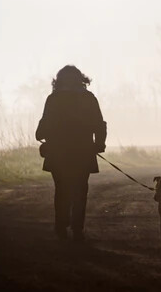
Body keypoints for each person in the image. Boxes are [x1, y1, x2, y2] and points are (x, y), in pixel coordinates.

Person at [36, 65, 106, 241]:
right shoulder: (89, 98)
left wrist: (41, 134)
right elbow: (99, 123)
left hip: (58, 154)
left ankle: (61, 226)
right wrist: (99, 144)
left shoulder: (53, 99)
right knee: (80, 190)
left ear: (58, 81)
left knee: (61, 190)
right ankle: (77, 228)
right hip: (83, 153)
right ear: (80, 79)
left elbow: (43, 128)